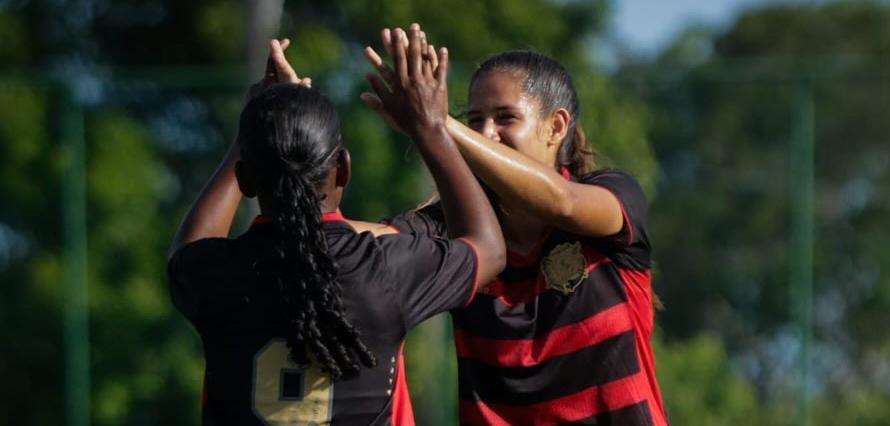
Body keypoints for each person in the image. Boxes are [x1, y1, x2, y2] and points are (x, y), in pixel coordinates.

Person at [167, 37, 504, 425]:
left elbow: (188, 247)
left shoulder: (214, 275)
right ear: (343, 168)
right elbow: (489, 249)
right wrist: (430, 128)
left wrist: (253, 130)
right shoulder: (384, 269)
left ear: (245, 178)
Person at [363, 25, 668, 425]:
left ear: (556, 127)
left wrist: (436, 126)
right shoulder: (454, 225)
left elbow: (561, 202)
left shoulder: (612, 196)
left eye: (505, 118)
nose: (487, 133)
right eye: (475, 120)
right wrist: (283, 149)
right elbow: (355, 244)